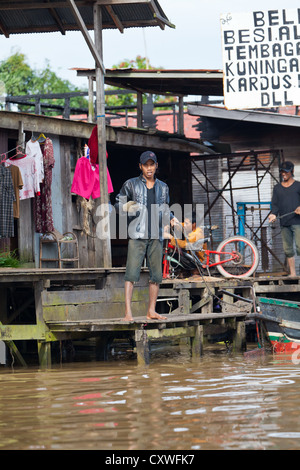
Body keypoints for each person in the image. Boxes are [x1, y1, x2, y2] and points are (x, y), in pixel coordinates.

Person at [115, 150, 174, 321]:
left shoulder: (163, 187)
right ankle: (128, 313)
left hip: (156, 235)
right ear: (140, 166)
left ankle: (151, 311)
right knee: (131, 274)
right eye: (146, 165)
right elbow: (118, 203)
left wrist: (171, 219)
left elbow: (165, 208)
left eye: (152, 164)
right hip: (137, 233)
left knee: (156, 275)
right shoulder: (131, 184)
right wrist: (130, 207)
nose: (149, 168)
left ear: (156, 166)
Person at [268, 161, 300, 277]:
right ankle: (293, 274)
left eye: (286, 171)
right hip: (284, 223)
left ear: (292, 171)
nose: (283, 174)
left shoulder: (298, 186)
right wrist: (273, 214)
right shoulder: (277, 188)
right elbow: (275, 205)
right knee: (288, 249)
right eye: (282, 171)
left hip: (297, 222)